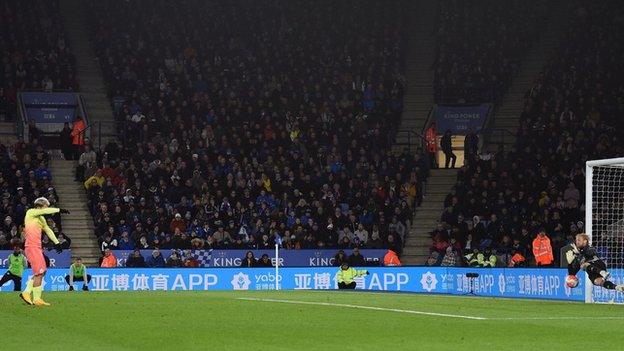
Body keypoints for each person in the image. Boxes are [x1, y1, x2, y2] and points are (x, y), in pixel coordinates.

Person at [20, 197, 69, 306]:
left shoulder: (41, 219)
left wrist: (57, 243)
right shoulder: (31, 212)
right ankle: (29, 294)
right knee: (40, 272)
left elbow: (47, 230)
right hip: (31, 247)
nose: (47, 208)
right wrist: (58, 210)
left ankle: (32, 296)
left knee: (43, 271)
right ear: (41, 206)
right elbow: (44, 211)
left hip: (37, 247)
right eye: (47, 206)